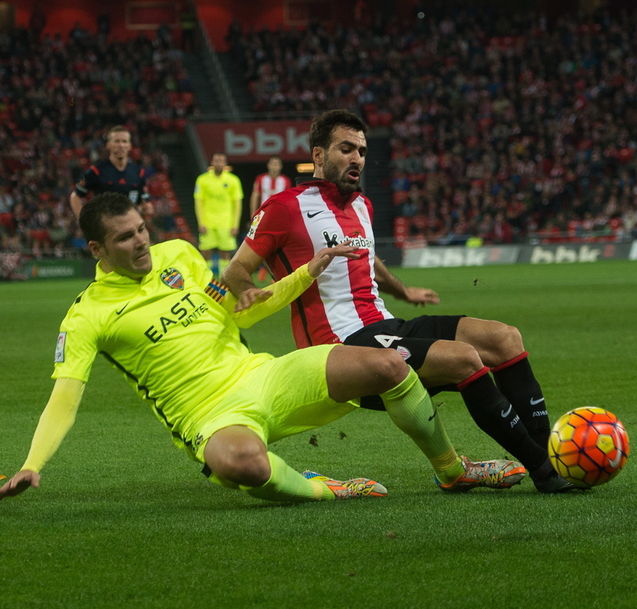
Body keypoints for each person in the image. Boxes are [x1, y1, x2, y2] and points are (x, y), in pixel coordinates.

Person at [0, 192, 523, 506]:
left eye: (141, 230)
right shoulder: (87, 315)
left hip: (263, 375)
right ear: (97, 250)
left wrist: (301, 276)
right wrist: (33, 463)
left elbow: (235, 306)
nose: (141, 243)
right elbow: (65, 395)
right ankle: (323, 488)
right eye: (126, 238)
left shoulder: (180, 254)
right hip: (209, 414)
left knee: (389, 363)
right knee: (242, 466)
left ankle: (453, 470)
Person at [224, 109, 575, 493]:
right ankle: (544, 471)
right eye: (346, 148)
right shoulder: (284, 207)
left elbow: (367, 258)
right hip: (340, 346)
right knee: (463, 359)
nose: (357, 157)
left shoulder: (362, 206)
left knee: (504, 338)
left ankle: (550, 455)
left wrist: (403, 291)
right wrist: (248, 291)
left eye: (361, 150)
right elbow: (236, 269)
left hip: (384, 325)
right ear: (319, 155)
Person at [69, 125, 150, 219]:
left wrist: (147, 208)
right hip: (104, 228)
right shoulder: (96, 171)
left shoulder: (139, 172)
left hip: (129, 227)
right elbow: (75, 196)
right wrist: (83, 221)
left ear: (129, 146)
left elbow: (144, 202)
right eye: (117, 141)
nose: (121, 145)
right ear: (108, 145)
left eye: (124, 141)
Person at [194, 153, 243, 276]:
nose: (219, 163)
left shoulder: (233, 180)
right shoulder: (202, 179)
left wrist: (235, 225)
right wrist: (201, 222)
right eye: (216, 160)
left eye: (221, 161)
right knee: (205, 252)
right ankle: (206, 281)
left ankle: (223, 280)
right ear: (212, 162)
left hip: (226, 223)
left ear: (225, 163)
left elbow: (237, 205)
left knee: (225, 253)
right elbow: (198, 203)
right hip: (207, 222)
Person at [249, 155, 292, 280]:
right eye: (272, 163)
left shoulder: (285, 181)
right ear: (268, 165)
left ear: (280, 166)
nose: (274, 166)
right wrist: (253, 214)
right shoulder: (261, 179)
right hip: (262, 217)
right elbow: (255, 196)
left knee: (279, 246)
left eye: (277, 164)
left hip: (279, 219)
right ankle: (261, 268)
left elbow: (288, 200)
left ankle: (275, 273)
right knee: (259, 245)